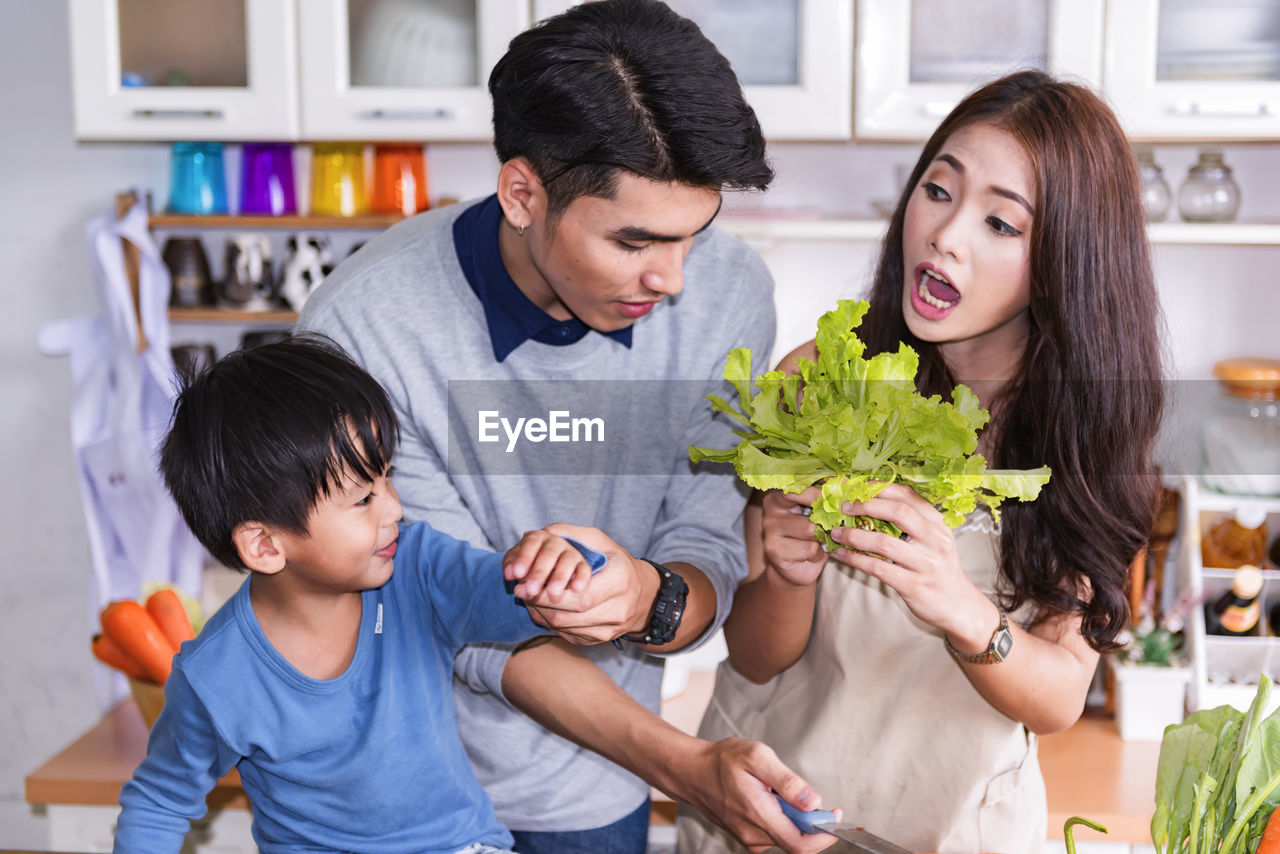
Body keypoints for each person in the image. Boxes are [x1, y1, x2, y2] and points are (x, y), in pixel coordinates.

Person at [298, 2, 832, 851]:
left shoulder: (728, 295)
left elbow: (707, 545)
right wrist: (687, 766)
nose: (674, 279)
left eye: (696, 234)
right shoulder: (364, 329)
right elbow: (450, 610)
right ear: (523, 194)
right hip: (388, 793)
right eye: (634, 242)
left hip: (597, 788)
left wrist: (646, 602)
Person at [679, 70, 1166, 854]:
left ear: (1065, 260)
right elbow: (754, 655)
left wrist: (958, 604)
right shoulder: (817, 378)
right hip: (775, 817)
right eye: (939, 191)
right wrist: (787, 570)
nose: (945, 234)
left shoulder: (1083, 439)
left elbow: (1057, 698)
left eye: (1001, 224)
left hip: (950, 831)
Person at [114, 335, 606, 854]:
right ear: (264, 544)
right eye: (364, 497)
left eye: (387, 477)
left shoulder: (417, 568)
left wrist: (560, 567)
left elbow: (512, 599)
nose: (393, 509)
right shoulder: (216, 676)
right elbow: (160, 801)